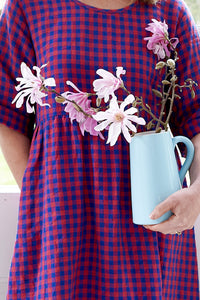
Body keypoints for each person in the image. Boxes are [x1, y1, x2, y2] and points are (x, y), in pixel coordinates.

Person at [0, 0, 200, 298]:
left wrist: (197, 194)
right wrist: (43, 196)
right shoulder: (28, 8)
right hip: (60, 226)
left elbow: (196, 119)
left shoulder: (170, 13)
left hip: (149, 224)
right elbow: (7, 115)